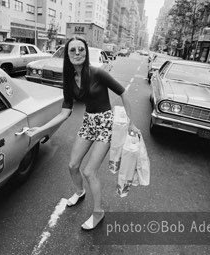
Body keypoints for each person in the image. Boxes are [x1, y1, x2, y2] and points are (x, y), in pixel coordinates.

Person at [25, 36, 138, 230]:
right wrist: (42, 129)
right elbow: (65, 112)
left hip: (104, 122)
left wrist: (131, 123)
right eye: (72, 50)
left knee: (89, 171)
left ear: (85, 53)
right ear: (67, 55)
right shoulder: (69, 80)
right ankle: (79, 192)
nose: (77, 53)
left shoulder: (98, 73)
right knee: (72, 165)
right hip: (88, 122)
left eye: (81, 50)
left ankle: (98, 212)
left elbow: (123, 93)